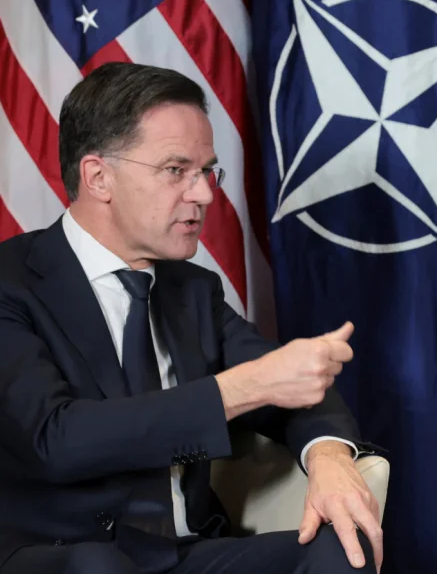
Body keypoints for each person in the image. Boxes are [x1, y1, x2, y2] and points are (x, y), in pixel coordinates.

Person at [0, 63, 384, 574]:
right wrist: (237, 389)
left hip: (187, 552)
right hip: (62, 554)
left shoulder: (193, 290)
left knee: (341, 549)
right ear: (98, 177)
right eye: (176, 170)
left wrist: (329, 454)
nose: (204, 194)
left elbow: (289, 381)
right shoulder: (12, 282)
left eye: (207, 171)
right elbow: (57, 439)